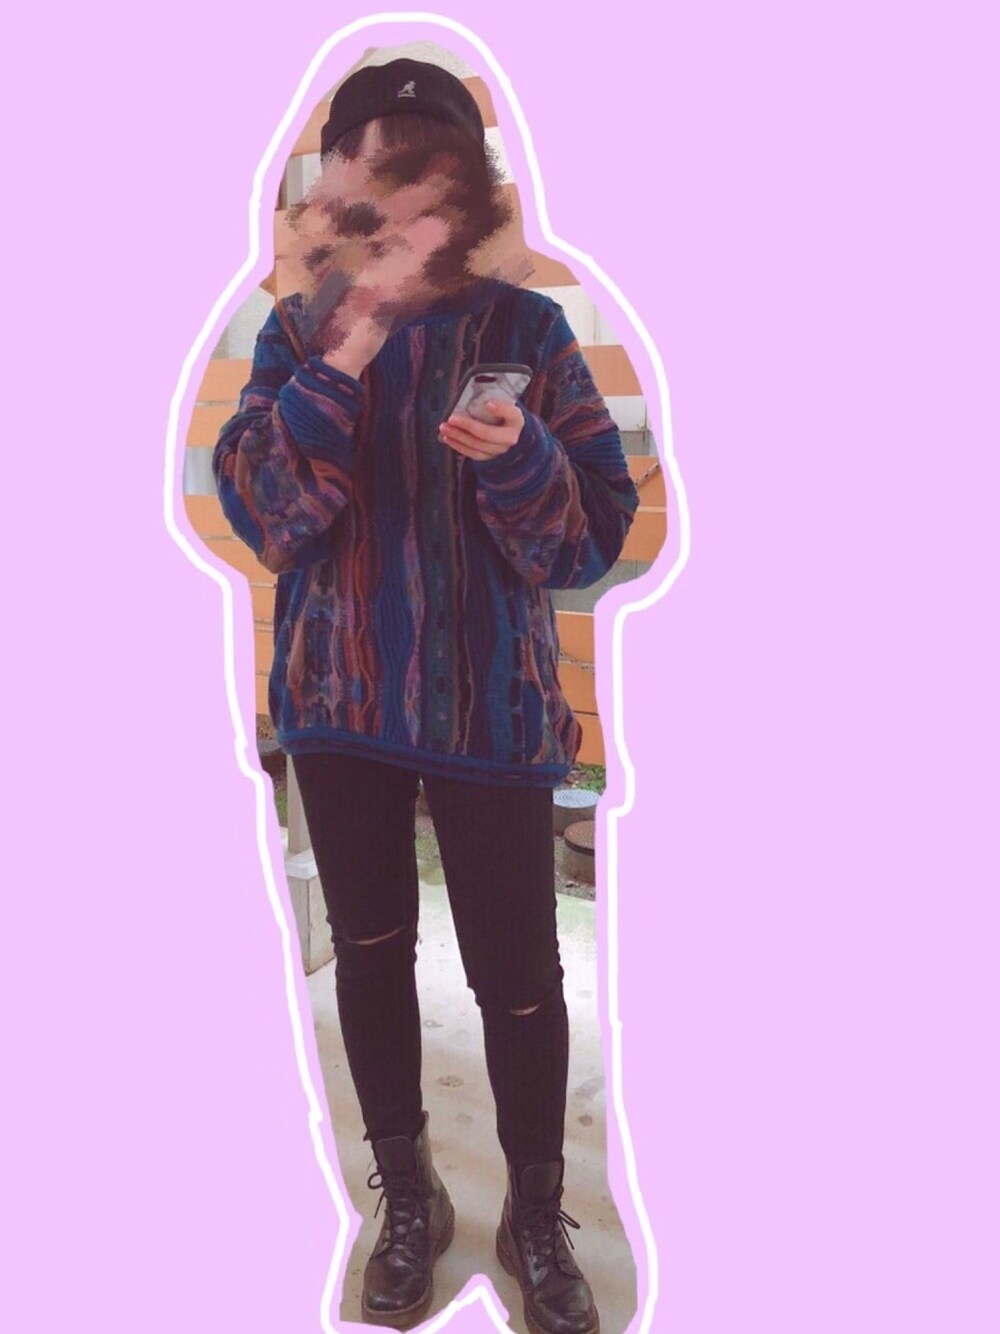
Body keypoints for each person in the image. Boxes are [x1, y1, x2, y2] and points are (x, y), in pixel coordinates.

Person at [213, 56, 639, 1334]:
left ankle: (533, 1211)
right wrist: (344, 355)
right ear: (340, 183)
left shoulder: (527, 334)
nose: (400, 193)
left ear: (468, 187)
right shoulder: (299, 332)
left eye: (428, 164)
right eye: (374, 162)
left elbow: (585, 542)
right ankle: (407, 1195)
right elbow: (271, 519)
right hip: (336, 707)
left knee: (520, 974)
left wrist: (520, 461)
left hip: (488, 710)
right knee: (370, 954)